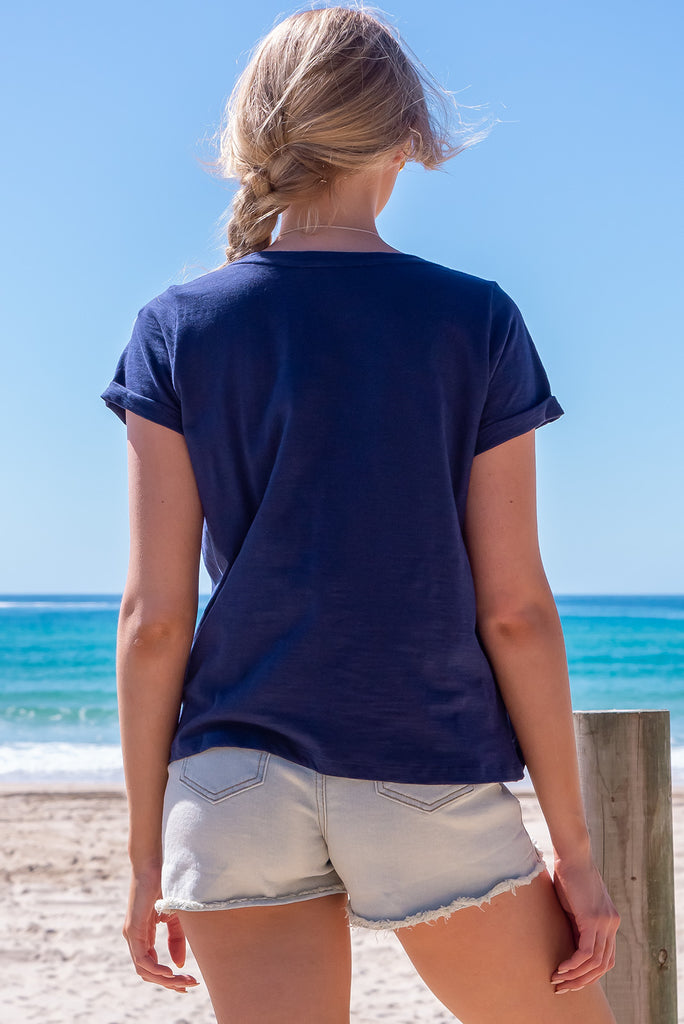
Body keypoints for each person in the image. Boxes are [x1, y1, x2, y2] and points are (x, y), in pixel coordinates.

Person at [100, 5, 620, 1022]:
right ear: (412, 138)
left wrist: (143, 860)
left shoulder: (174, 328)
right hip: (419, 761)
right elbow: (513, 607)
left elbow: (155, 622)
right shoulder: (474, 322)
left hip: (231, 779)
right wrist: (577, 852)